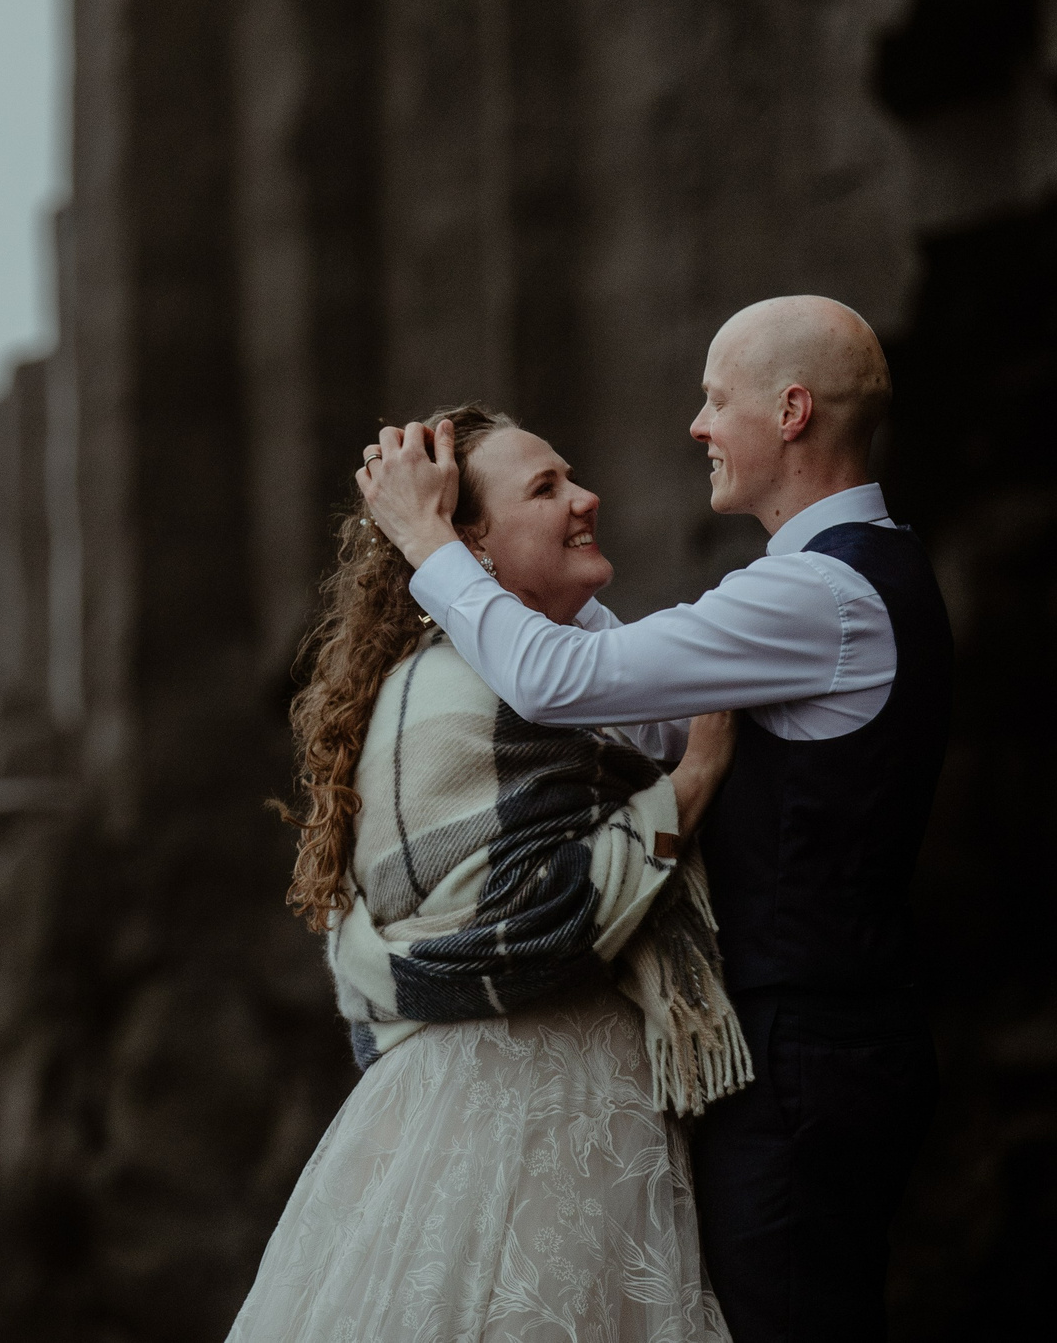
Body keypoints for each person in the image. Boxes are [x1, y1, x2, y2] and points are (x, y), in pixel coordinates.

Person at [358, 298, 949, 1343]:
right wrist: (531, 573)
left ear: (794, 411)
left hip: (803, 1056)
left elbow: (561, 680)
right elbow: (631, 699)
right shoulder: (840, 584)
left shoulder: (817, 598)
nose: (696, 425)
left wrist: (424, 542)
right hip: (818, 1043)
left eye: (717, 399)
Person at [228, 405, 750, 1343]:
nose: (588, 498)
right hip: (516, 1132)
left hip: (575, 1119)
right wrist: (690, 787)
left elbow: (586, 671)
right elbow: (528, 911)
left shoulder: (554, 683)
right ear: (469, 542)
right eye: (546, 487)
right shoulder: (454, 695)